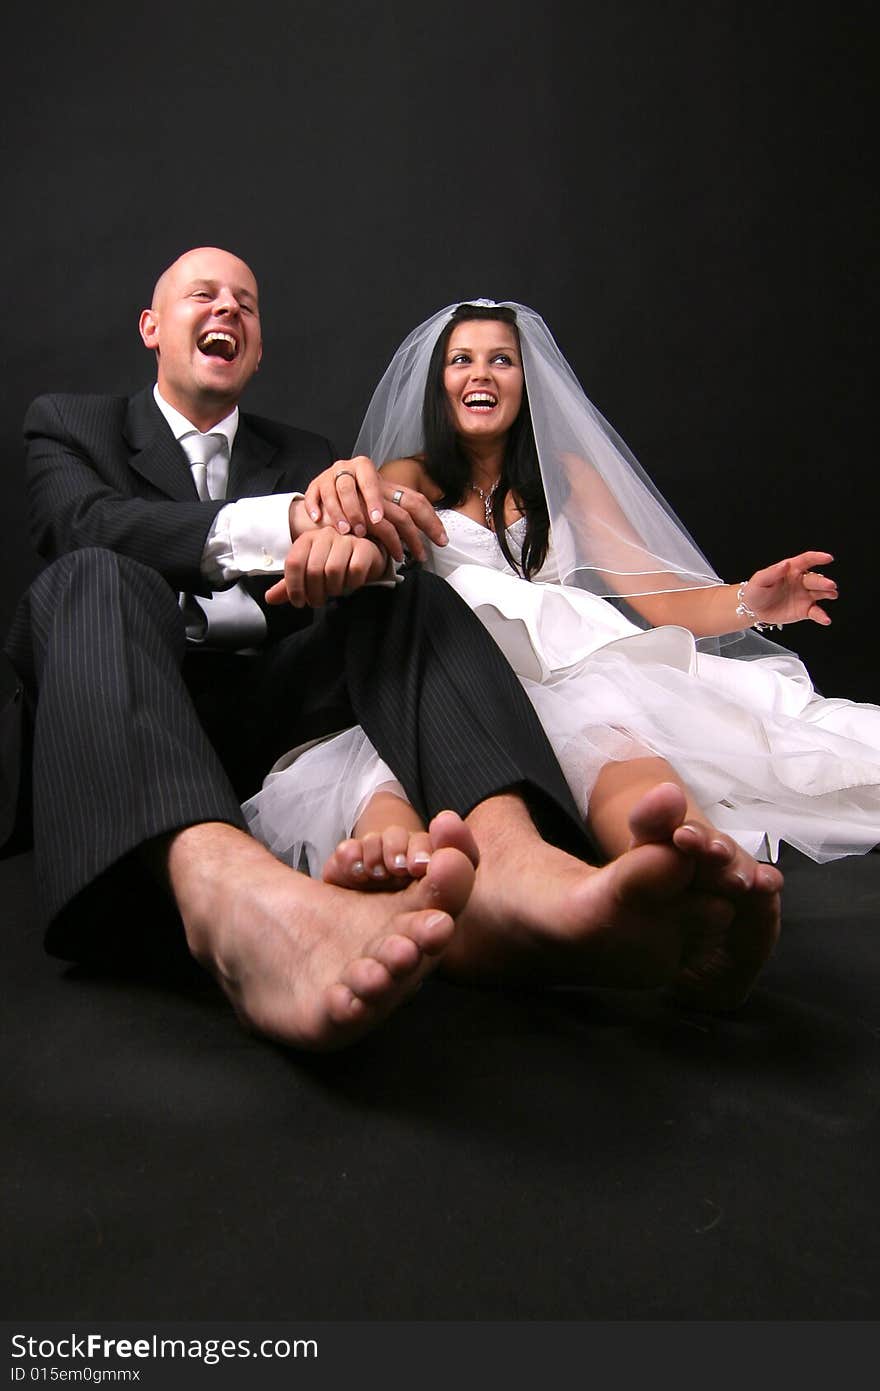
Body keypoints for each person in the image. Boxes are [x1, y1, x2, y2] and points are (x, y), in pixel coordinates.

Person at [2, 255, 758, 1052]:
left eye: (247, 304)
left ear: (256, 350)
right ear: (153, 328)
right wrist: (286, 523)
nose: (228, 307)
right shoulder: (70, 423)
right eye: (204, 295)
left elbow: (336, 580)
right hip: (121, 720)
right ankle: (237, 909)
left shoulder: (308, 454)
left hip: (270, 725)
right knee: (88, 575)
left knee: (411, 586)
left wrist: (355, 557)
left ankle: (518, 871)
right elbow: (80, 523)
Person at [244, 299, 880, 1001]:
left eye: (500, 359)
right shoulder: (412, 475)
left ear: (526, 382)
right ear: (440, 383)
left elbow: (661, 596)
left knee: (610, 734)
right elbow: (374, 535)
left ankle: (681, 878)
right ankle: (409, 876)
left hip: (572, 671)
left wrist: (752, 602)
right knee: (386, 765)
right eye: (461, 359)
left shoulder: (567, 477)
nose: (479, 373)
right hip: (455, 679)